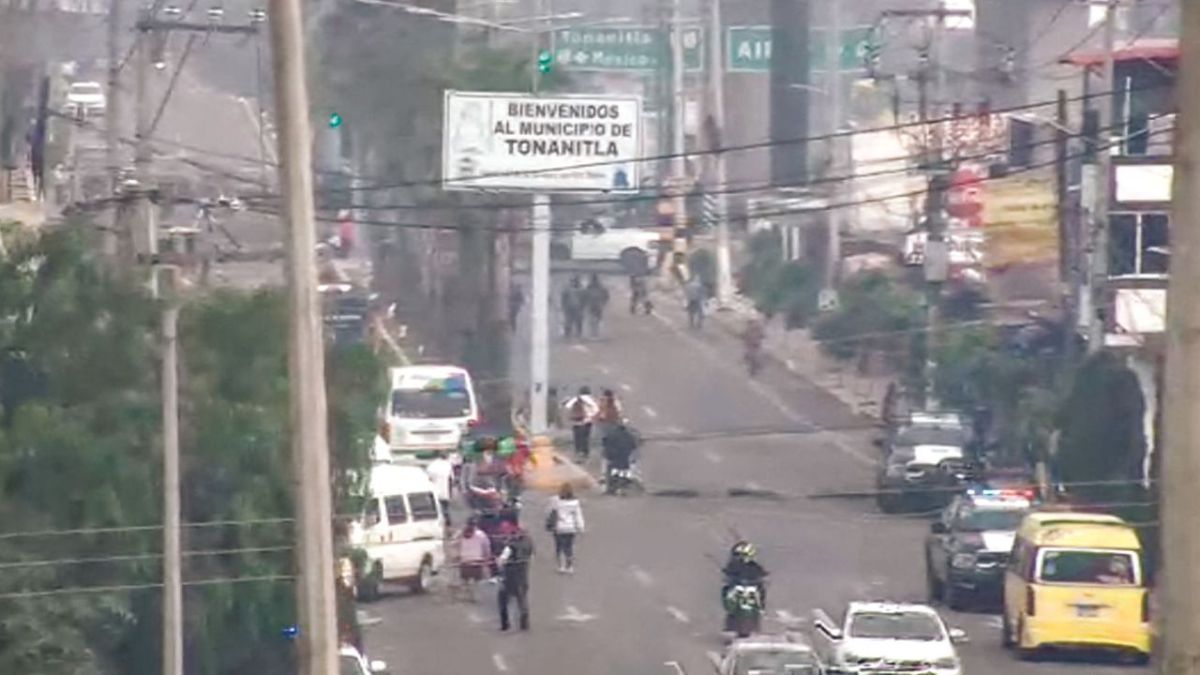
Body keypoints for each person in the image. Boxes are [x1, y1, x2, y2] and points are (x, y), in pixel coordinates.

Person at [495, 520, 534, 631]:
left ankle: (505, 624)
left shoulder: (510, 546)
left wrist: (498, 563)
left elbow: (501, 561)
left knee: (502, 600)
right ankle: (524, 624)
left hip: (509, 577)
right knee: (522, 601)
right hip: (522, 577)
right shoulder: (529, 543)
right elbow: (531, 556)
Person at [546, 483, 586, 573]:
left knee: (559, 547)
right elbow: (578, 516)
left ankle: (561, 566)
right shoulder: (575, 502)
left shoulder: (555, 501)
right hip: (570, 528)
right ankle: (569, 566)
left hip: (558, 528)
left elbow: (549, 511)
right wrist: (581, 527)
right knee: (569, 547)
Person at [721, 541, 768, 615]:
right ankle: (761, 607)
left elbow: (762, 573)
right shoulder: (736, 565)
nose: (740, 557)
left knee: (761, 590)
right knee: (726, 589)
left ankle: (761, 606)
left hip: (747, 586)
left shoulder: (752, 566)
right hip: (741, 586)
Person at [458, 517, 493, 599]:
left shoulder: (461, 533)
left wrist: (457, 555)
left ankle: (467, 593)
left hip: (465, 560)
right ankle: (473, 595)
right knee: (476, 581)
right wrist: (487, 559)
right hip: (477, 561)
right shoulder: (481, 535)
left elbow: (454, 543)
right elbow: (487, 547)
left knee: (465, 580)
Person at [562, 386, 599, 460]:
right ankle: (585, 452)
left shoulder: (575, 399)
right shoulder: (591, 400)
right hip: (587, 421)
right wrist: (591, 416)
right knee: (585, 437)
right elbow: (596, 410)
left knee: (577, 437)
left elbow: (566, 406)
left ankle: (578, 451)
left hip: (576, 421)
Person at [601, 422, 639, 495]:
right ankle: (623, 485)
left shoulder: (611, 434)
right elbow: (633, 446)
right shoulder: (628, 435)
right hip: (624, 457)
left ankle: (611, 488)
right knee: (624, 471)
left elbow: (605, 443)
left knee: (611, 470)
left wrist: (607, 454)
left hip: (614, 457)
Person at [425, 450, 455, 527]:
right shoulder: (448, 465)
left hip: (434, 492)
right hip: (445, 492)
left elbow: (427, 479)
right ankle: (448, 526)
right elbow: (451, 480)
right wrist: (451, 494)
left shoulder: (431, 466)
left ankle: (438, 525)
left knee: (436, 511)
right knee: (446, 511)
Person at [584, 274, 610, 338]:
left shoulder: (590, 287)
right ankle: (594, 332)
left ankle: (594, 332)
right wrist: (603, 303)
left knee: (594, 319)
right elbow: (606, 296)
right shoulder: (599, 287)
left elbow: (606, 296)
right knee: (595, 319)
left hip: (595, 305)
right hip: (596, 305)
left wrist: (603, 302)